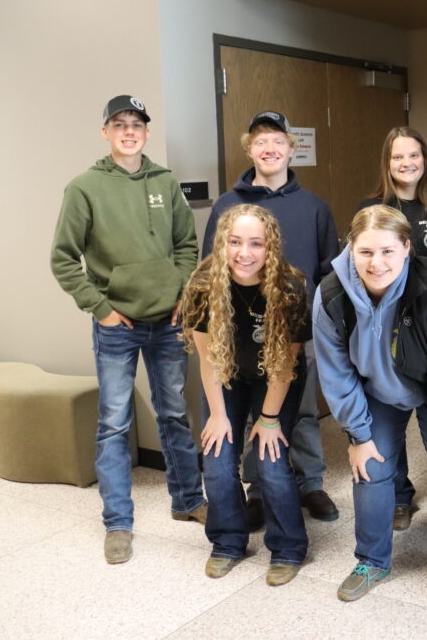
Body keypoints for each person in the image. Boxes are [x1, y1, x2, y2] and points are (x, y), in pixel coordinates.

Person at [313, 205, 427, 613]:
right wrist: (358, 435)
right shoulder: (331, 294)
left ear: (407, 249)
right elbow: (336, 372)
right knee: (371, 468)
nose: (377, 263)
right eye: (365, 252)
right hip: (378, 389)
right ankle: (371, 561)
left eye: (388, 251)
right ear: (350, 249)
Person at [50, 95, 206, 565]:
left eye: (137, 123)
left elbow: (186, 244)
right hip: (118, 325)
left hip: (168, 321)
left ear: (145, 131)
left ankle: (188, 500)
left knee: (175, 414)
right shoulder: (85, 187)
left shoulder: (164, 181)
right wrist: (100, 308)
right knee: (115, 423)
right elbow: (63, 258)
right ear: (105, 132)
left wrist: (182, 294)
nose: (129, 131)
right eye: (120, 124)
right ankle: (117, 523)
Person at [203, 110, 340, 525]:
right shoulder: (229, 205)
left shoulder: (314, 207)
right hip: (240, 330)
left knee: (299, 412)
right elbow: (211, 265)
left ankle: (311, 483)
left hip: (298, 329)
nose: (270, 149)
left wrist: (317, 319)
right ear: (249, 149)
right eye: (261, 142)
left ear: (291, 149)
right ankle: (259, 490)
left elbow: (328, 270)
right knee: (251, 412)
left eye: (278, 141)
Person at [182, 204, 309, 586]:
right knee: (218, 459)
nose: (244, 252)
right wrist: (218, 416)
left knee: (270, 462)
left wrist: (268, 420)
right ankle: (227, 542)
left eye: (256, 243)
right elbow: (207, 360)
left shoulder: (290, 288)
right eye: (235, 242)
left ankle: (288, 548)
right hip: (228, 378)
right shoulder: (203, 285)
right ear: (222, 243)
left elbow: (286, 365)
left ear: (271, 247)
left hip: (276, 378)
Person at [357, 126, 427, 531]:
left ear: (425, 159)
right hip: (383, 330)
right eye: (398, 157)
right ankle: (400, 496)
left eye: (413, 155)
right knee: (388, 413)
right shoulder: (371, 207)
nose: (406, 164)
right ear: (387, 163)